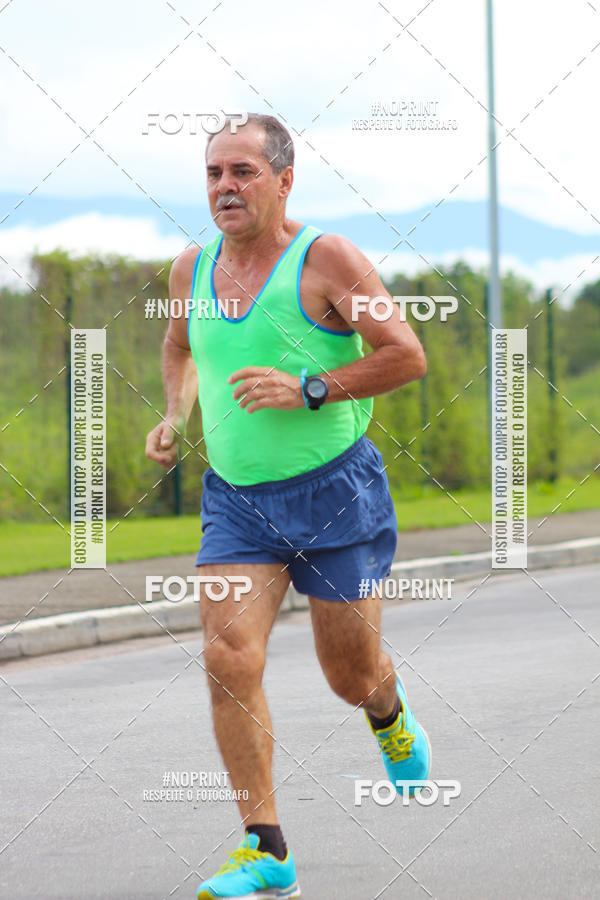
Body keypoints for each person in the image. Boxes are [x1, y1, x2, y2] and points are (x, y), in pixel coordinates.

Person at [145, 113, 430, 900]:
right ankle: (266, 848)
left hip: (337, 495)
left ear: (283, 180)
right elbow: (179, 346)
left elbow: (407, 354)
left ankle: (388, 711)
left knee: (351, 674)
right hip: (237, 504)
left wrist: (310, 387)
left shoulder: (326, 258)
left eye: (242, 171)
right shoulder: (190, 271)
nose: (225, 187)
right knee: (228, 657)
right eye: (213, 174)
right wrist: (176, 414)